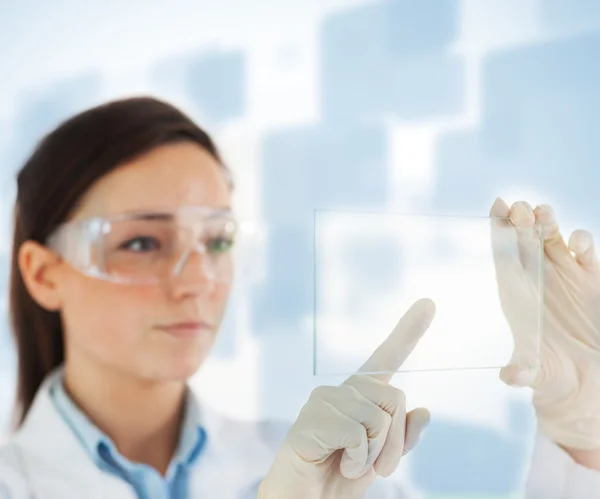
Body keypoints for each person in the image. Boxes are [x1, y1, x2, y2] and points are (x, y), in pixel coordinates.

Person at [0, 96, 597, 499]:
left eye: (217, 240)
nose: (197, 280)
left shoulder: (331, 466)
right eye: (140, 242)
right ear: (43, 273)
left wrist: (582, 440)